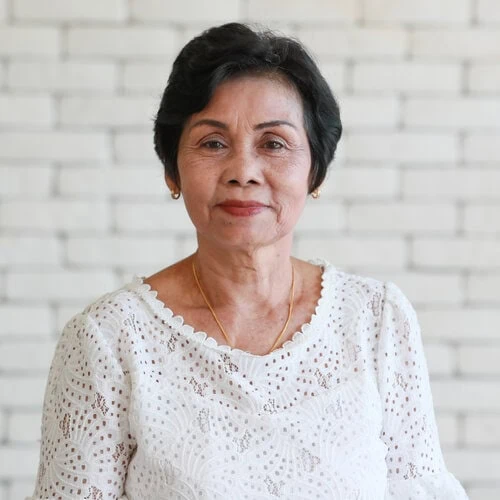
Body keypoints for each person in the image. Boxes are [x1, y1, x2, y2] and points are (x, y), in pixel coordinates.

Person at [29, 22, 469, 499]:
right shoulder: (108, 338)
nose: (243, 172)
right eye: (213, 143)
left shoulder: (376, 318)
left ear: (315, 172)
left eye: (273, 143)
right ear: (172, 171)